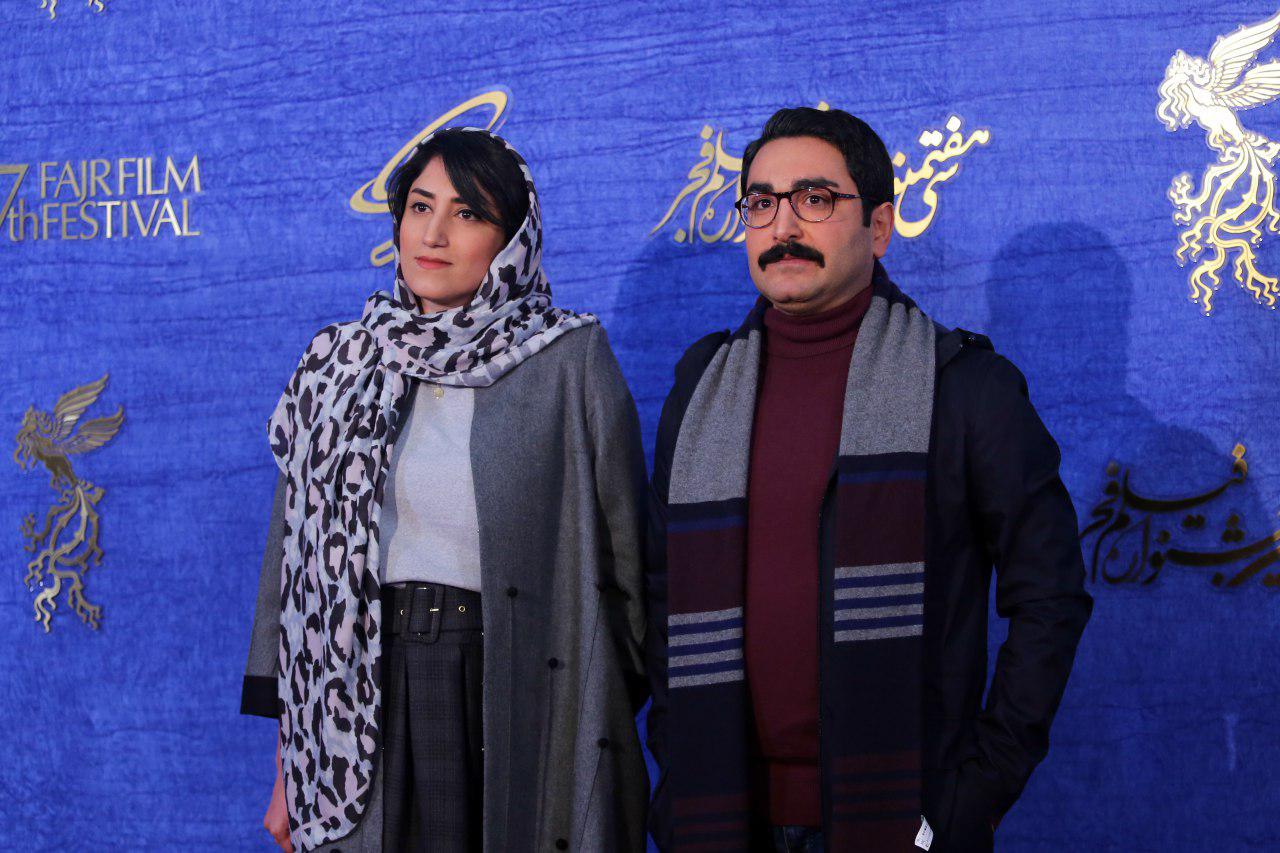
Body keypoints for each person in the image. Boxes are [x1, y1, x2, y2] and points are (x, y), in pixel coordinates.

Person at [644, 107, 1092, 853]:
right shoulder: (701, 386)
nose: (784, 225)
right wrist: (677, 767)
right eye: (762, 203)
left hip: (903, 819)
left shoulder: (964, 387)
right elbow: (663, 593)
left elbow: (1050, 596)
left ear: (879, 226)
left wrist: (977, 792)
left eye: (815, 199)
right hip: (721, 815)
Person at [240, 127, 650, 852]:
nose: (433, 234)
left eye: (467, 213)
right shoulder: (336, 365)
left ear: (512, 238)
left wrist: (590, 716)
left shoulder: (567, 359)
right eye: (420, 207)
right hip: (357, 691)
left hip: (510, 673)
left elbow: (627, 567)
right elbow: (293, 570)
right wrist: (292, 763)